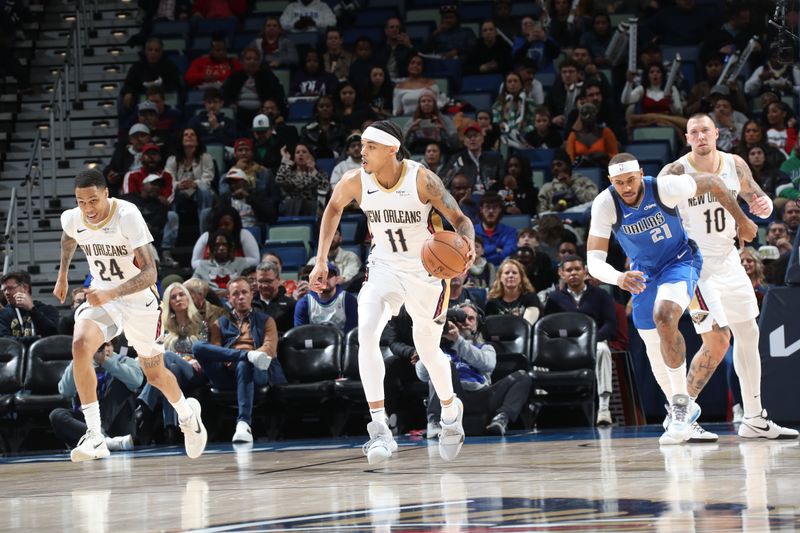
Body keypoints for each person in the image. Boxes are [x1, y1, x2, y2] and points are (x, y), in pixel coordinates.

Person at [308, 120, 476, 464]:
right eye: (361, 145)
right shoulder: (355, 180)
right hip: (383, 267)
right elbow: (333, 208)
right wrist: (321, 260)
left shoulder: (422, 179)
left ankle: (449, 412)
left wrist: (468, 243)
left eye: (369, 146)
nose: (361, 152)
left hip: (426, 273)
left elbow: (460, 220)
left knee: (428, 350)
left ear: (391, 149)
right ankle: (380, 429)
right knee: (366, 334)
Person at [587, 152, 756, 445]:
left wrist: (741, 220)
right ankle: (684, 415)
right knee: (655, 352)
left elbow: (713, 182)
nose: (626, 188)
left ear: (640, 174)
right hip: (642, 274)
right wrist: (618, 277)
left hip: (681, 261)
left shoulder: (664, 187)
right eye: (619, 183)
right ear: (610, 181)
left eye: (630, 180)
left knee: (665, 315)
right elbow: (593, 261)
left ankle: (680, 407)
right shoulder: (605, 203)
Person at [658, 114, 798, 440]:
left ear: (717, 133)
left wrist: (761, 205)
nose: (700, 136)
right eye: (694, 132)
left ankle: (754, 418)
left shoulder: (735, 163)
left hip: (730, 261)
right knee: (717, 342)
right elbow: (655, 213)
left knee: (749, 335)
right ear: (687, 139)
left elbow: (755, 198)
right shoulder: (676, 172)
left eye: (705, 129)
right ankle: (679, 415)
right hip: (697, 266)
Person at [52, 169, 207, 461]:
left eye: (93, 201)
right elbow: (68, 238)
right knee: (80, 346)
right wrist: (62, 275)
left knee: (155, 374)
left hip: (139, 301)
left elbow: (150, 273)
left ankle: (188, 416)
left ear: (106, 194)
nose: (88, 209)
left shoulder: (127, 215)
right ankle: (95, 435)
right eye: (81, 202)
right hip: (103, 294)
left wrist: (113, 293)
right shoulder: (73, 218)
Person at [192, 277, 287, 443]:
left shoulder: (266, 320)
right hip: (226, 372)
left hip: (257, 370)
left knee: (245, 364)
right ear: (229, 299)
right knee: (198, 347)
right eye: (235, 294)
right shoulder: (219, 324)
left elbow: (269, 349)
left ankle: (244, 423)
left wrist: (251, 356)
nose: (241, 297)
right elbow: (216, 351)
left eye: (244, 292)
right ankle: (245, 355)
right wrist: (235, 357)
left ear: (251, 295)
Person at [417, 301, 533, 437]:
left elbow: (487, 364)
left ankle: (501, 418)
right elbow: (422, 375)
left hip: (483, 395)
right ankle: (434, 421)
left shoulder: (485, 348)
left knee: (522, 376)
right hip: (453, 396)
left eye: (471, 318)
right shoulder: (439, 350)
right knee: (444, 366)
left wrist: (457, 340)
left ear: (478, 324)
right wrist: (431, 346)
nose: (466, 321)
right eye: (462, 317)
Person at [543, 255, 617, 425]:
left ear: (585, 271)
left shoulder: (600, 295)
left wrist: (592, 340)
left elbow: (610, 324)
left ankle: (604, 408)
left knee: (603, 350)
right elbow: (549, 326)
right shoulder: (554, 298)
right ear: (561, 273)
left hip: (594, 343)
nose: (574, 273)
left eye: (577, 269)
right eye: (569, 270)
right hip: (565, 346)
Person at [50, 342, 141, 454]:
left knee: (122, 381)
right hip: (87, 425)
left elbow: (137, 381)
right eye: (99, 347)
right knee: (56, 415)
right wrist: (78, 359)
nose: (104, 350)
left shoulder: (124, 360)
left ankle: (98, 436)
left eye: (107, 345)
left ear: (113, 346)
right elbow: (65, 391)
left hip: (117, 425)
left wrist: (106, 362)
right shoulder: (81, 362)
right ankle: (105, 441)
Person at [293, 262, 357, 333]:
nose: (324, 280)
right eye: (320, 276)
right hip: (314, 343)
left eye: (329, 276)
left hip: (340, 343)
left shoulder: (349, 300)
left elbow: (351, 335)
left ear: (337, 279)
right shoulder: (304, 303)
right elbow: (301, 336)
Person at [0, 271, 60, 341]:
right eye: (4, 290)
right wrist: (38, 339)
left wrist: (32, 309)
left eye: (10, 288)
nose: (6, 293)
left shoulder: (48, 310)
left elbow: (53, 335)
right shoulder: (2, 314)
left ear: (25, 288)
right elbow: (4, 341)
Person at [485, 258, 542, 325]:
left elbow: (527, 325)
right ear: (500, 278)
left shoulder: (531, 298)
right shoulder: (492, 302)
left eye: (514, 273)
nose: (511, 275)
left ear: (521, 278)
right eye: (507, 273)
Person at [254, 261, 296, 334]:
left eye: (268, 281)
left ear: (278, 280)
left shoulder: (291, 305)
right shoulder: (250, 304)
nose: (264, 285)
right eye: (261, 281)